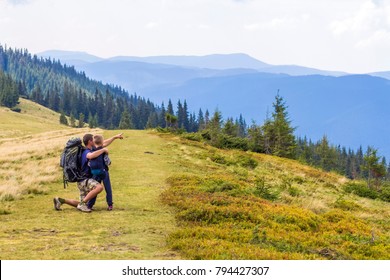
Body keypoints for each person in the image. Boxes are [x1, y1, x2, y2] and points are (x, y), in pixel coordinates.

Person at [53, 133, 123, 212]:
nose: (94, 140)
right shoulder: (86, 152)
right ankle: (82, 204)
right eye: (93, 139)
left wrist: (114, 137)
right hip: (84, 180)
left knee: (83, 202)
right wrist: (103, 150)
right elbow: (90, 156)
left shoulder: (89, 149)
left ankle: (61, 200)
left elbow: (103, 143)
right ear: (90, 141)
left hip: (81, 181)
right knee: (99, 187)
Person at [87, 134, 114, 211]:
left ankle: (90, 205)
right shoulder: (103, 151)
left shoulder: (92, 150)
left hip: (94, 173)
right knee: (108, 188)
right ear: (102, 142)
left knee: (95, 189)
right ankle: (110, 204)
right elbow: (108, 162)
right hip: (104, 172)